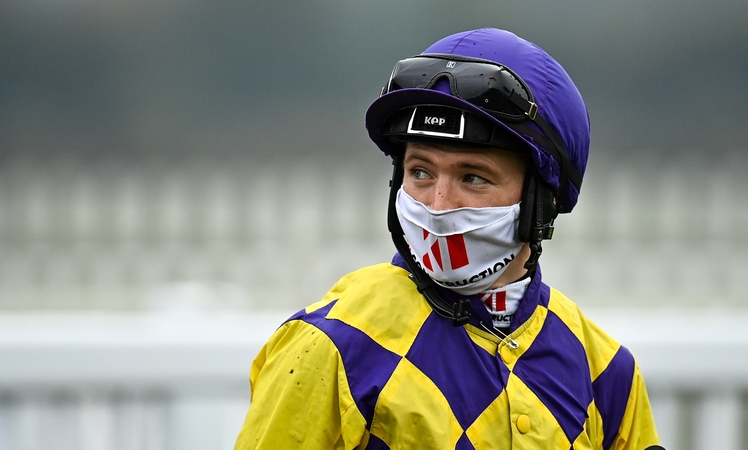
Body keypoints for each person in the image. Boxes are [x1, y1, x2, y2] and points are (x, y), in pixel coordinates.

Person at [235, 28, 661, 450]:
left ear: (543, 199)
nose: (438, 206)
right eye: (420, 172)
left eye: (472, 178)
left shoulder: (606, 371)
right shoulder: (332, 345)